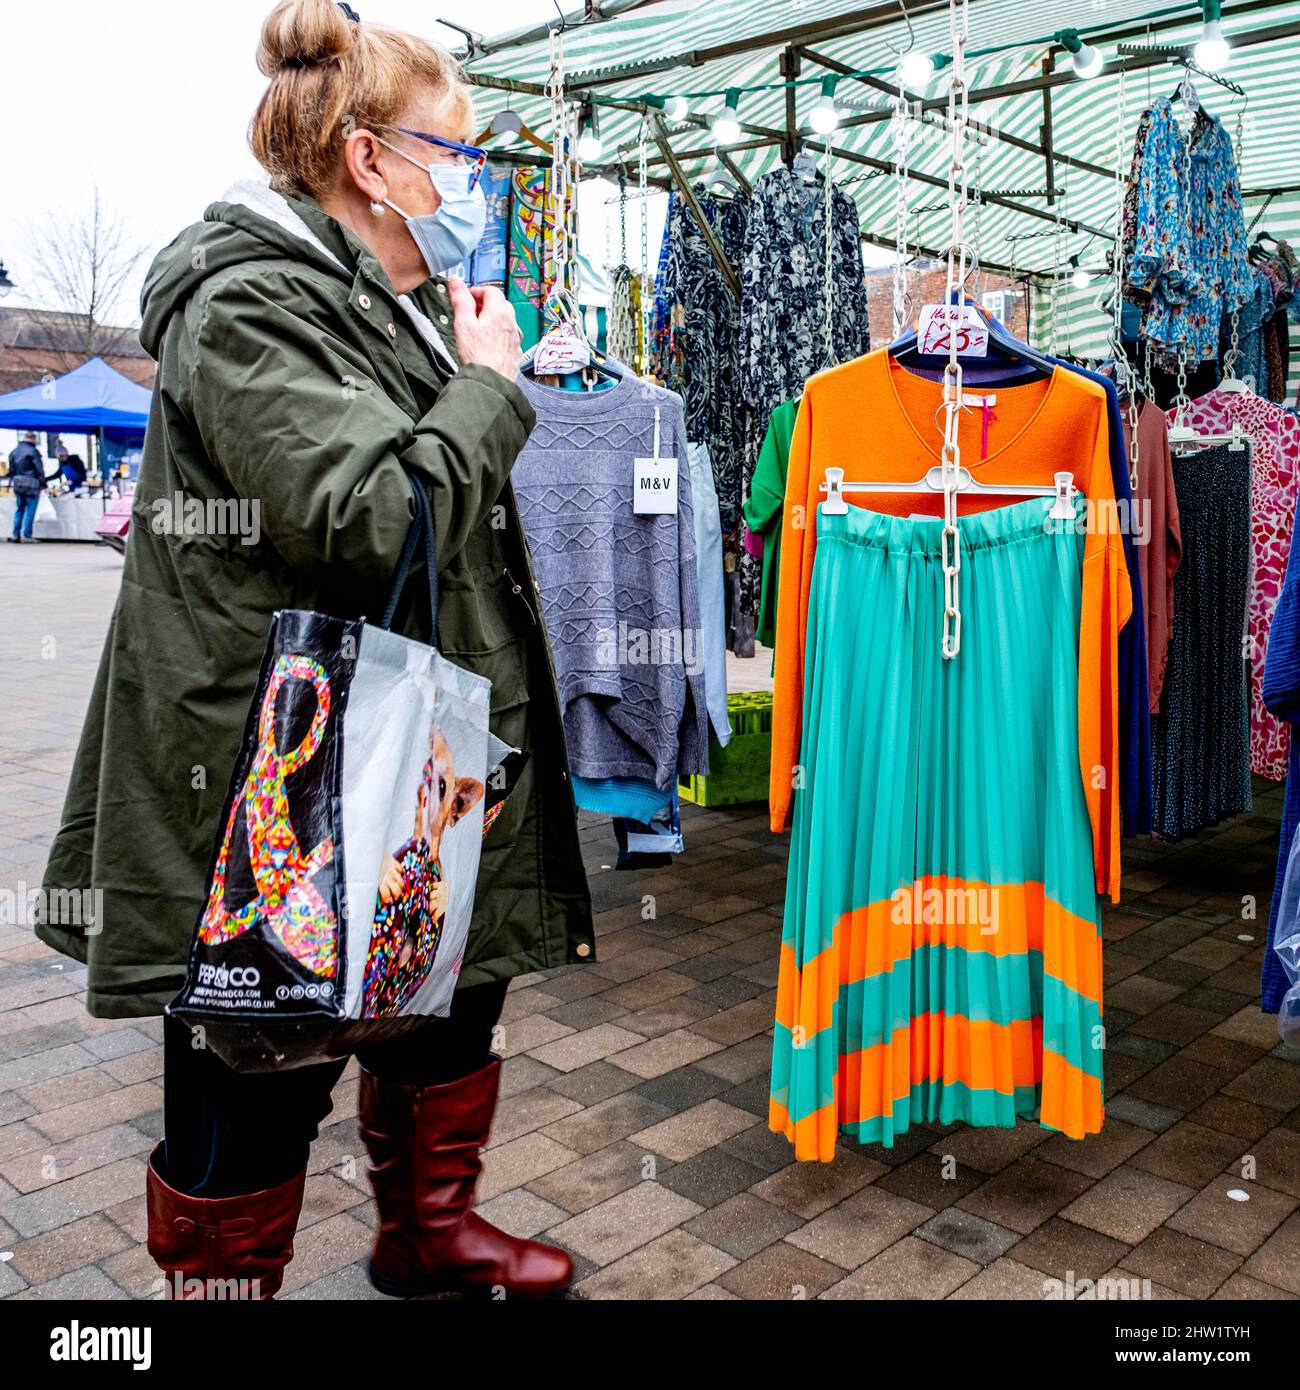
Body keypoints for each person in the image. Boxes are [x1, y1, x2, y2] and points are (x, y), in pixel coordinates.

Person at [37, 0, 594, 1300]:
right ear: (368, 159)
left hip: (418, 755)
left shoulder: (382, 303)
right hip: (280, 778)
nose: (469, 184)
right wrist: (491, 389)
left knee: (443, 998)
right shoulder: (249, 300)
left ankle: (427, 1230)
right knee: (261, 1050)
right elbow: (371, 515)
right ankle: (228, 1283)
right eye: (454, 154)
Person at [7, 431, 46, 542]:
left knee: (19, 509)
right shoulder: (33, 451)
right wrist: (43, 482)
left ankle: (15, 534)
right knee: (30, 510)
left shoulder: (14, 451)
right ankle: (27, 535)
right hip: (32, 484)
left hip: (18, 483)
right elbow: (39, 469)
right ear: (33, 439)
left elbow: (11, 470)